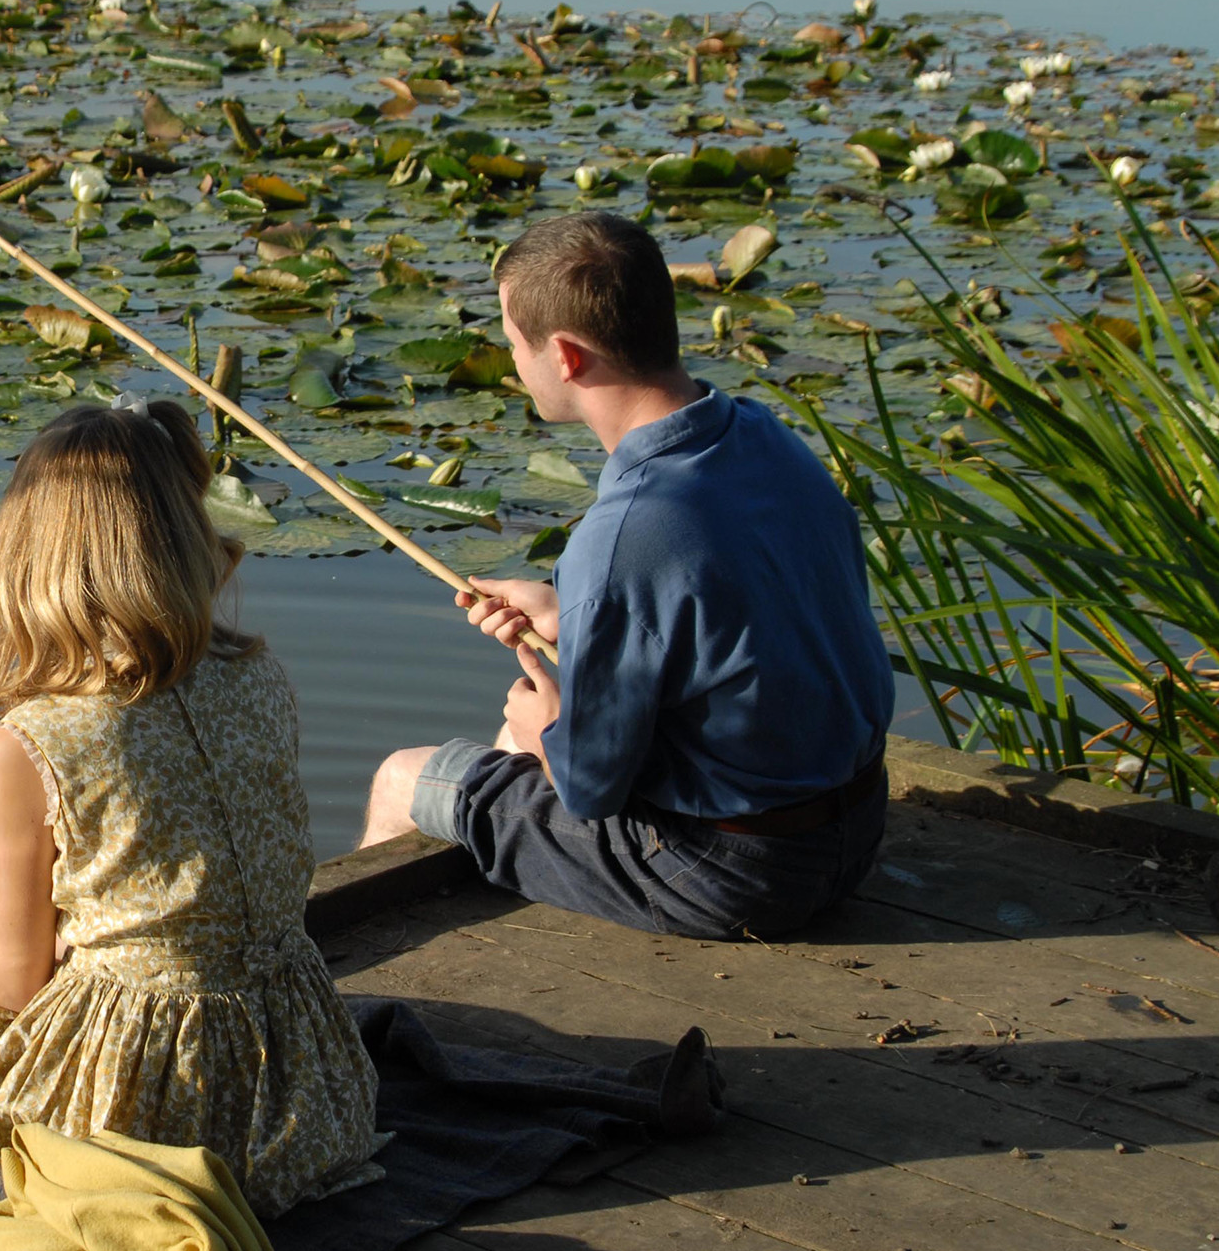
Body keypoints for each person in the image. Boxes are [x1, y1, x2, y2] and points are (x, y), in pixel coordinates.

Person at [0, 398, 384, 1219]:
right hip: (305, 1088)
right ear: (184, 538)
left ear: (24, 558)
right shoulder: (257, 677)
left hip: (148, 1114)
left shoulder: (28, 742)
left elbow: (14, 980)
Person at [360, 211, 892, 940]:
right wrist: (567, 609)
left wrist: (545, 728)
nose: (513, 359)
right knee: (510, 752)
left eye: (516, 343)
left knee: (406, 777)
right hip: (857, 827)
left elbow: (590, 789)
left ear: (569, 358)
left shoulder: (622, 537)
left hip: (737, 875)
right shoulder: (764, 435)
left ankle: (328, 1016)